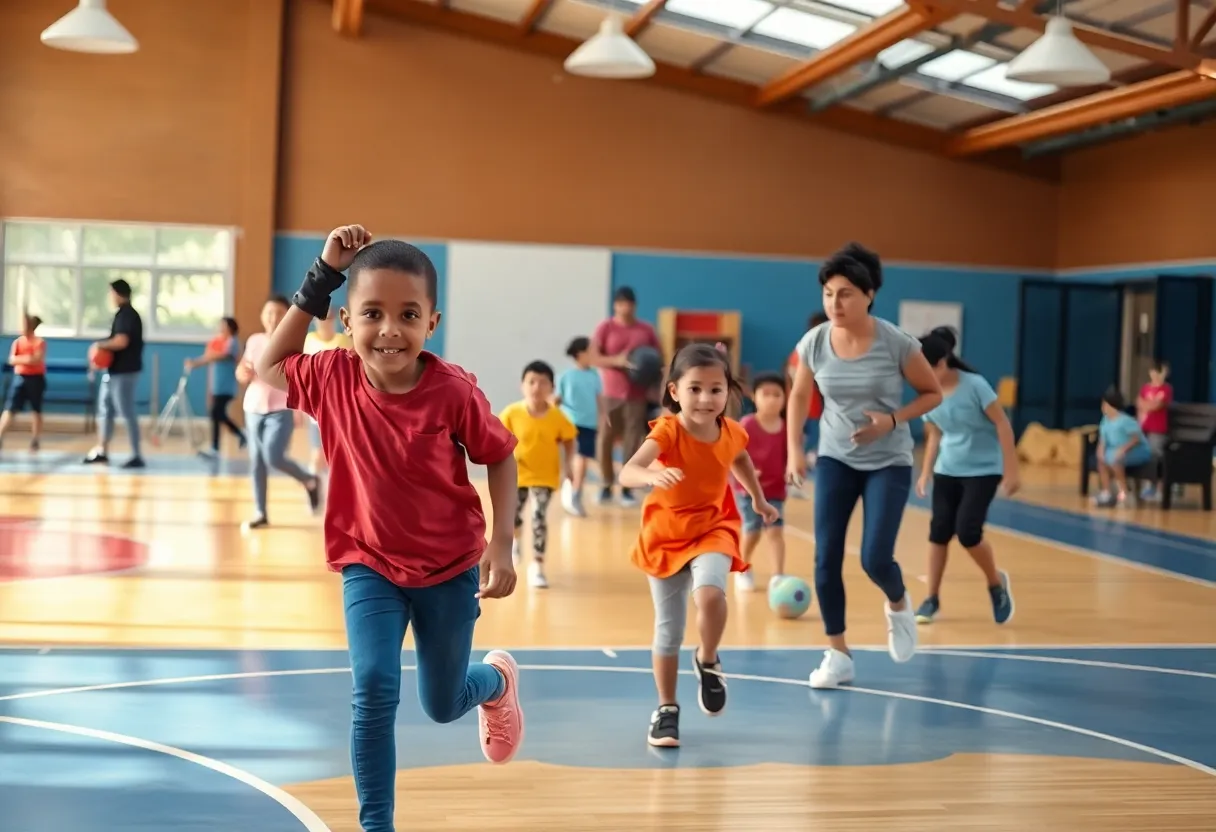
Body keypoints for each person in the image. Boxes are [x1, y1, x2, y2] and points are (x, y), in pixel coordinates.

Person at [253, 225, 524, 832]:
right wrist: (323, 273)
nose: (389, 330)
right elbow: (268, 366)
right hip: (367, 562)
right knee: (373, 689)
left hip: (450, 567)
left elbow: (500, 455)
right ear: (347, 320)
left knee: (441, 703)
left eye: (408, 314)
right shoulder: (332, 378)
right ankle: (377, 824)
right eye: (372, 313)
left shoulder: (452, 392)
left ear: (433, 321)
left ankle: (497, 681)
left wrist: (501, 544)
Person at [786, 242, 942, 690]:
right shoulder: (814, 342)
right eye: (829, 293)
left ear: (869, 295)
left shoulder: (896, 342)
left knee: (875, 557)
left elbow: (932, 394)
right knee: (825, 557)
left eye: (846, 293)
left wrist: (893, 420)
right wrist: (796, 449)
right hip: (836, 456)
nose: (835, 303)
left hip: (888, 461)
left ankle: (898, 603)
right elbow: (799, 395)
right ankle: (838, 654)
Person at [619, 343, 777, 748]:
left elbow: (738, 459)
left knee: (710, 595)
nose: (705, 398)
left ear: (728, 392)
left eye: (715, 389)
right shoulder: (669, 430)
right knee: (668, 632)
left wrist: (757, 498)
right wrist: (650, 476)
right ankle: (667, 708)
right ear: (674, 391)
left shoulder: (731, 431)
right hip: (666, 536)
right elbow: (628, 471)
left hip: (713, 526)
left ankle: (708, 658)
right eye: (695, 389)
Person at [913, 328, 1017, 626]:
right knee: (939, 533)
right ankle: (931, 597)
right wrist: (925, 473)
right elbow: (934, 435)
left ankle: (996, 584)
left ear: (942, 362)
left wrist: (1012, 469)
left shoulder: (975, 386)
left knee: (968, 532)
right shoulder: (928, 392)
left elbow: (1002, 424)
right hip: (947, 469)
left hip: (983, 470)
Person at [236, 295, 320, 530]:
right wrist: (242, 374)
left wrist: (301, 409)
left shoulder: (292, 343)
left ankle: (308, 479)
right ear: (263, 316)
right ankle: (260, 512)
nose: (273, 318)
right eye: (269, 313)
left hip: (282, 408)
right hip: (253, 407)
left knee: (273, 456)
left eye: (279, 313)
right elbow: (243, 369)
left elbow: (299, 378)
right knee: (257, 462)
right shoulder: (254, 340)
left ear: (287, 316)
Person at [499, 360, 577, 590]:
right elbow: (499, 439)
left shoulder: (557, 417)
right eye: (531, 382)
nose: (537, 387)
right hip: (517, 475)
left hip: (544, 477)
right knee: (513, 516)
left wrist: (570, 465)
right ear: (522, 385)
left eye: (543, 382)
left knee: (539, 517)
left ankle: (538, 566)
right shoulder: (512, 413)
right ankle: (516, 541)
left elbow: (569, 440)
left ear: (551, 387)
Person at [592, 286, 661, 507]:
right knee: (605, 438)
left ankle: (627, 487)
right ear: (615, 305)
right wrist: (617, 361)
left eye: (629, 303)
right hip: (611, 393)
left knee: (633, 440)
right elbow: (593, 357)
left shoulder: (646, 329)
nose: (626, 307)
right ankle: (605, 484)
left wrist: (654, 385)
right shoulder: (606, 328)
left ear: (634, 306)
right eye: (621, 303)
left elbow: (660, 358)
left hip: (637, 394)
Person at [731, 372, 788, 593]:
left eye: (777, 394)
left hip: (775, 489)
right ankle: (743, 568)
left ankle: (778, 575)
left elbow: (788, 456)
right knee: (752, 531)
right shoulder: (747, 424)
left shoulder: (785, 427)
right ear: (754, 397)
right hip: (748, 491)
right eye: (766, 394)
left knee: (776, 531)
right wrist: (748, 473)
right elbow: (733, 456)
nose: (772, 399)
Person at [83, 279, 146, 468]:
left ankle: (136, 454)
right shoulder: (120, 315)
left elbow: (121, 341)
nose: (109, 297)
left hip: (125, 373)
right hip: (113, 371)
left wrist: (99, 345)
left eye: (111, 293)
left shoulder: (128, 315)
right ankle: (102, 450)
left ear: (118, 293)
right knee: (105, 409)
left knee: (126, 411)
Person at [555, 336, 603, 517]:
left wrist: (603, 417)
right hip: (570, 423)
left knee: (583, 459)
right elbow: (557, 400)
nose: (593, 353)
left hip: (589, 423)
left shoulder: (594, 375)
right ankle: (572, 491)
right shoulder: (566, 376)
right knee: (578, 459)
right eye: (590, 350)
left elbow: (599, 399)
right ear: (580, 353)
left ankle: (575, 492)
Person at [302, 308, 352, 480]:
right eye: (321, 318)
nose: (325, 322)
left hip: (339, 408)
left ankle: (333, 494)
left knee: (336, 455)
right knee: (318, 453)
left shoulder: (344, 341)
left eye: (329, 318)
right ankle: (314, 488)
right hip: (316, 408)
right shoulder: (309, 340)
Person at [185, 317, 245, 459]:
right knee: (217, 414)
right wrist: (196, 363)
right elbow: (209, 357)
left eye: (223, 325)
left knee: (216, 413)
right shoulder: (220, 342)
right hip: (217, 386)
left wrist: (203, 359)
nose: (220, 328)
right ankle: (223, 443)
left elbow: (222, 356)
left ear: (230, 327)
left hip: (226, 385)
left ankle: (234, 437)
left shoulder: (233, 342)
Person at [1093, 386, 1153, 507]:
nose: (1103, 407)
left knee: (1116, 460)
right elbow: (1103, 439)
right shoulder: (1105, 420)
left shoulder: (1126, 421)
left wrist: (1123, 449)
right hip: (1115, 450)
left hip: (1137, 450)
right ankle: (1106, 493)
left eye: (1105, 405)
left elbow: (1136, 439)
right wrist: (1100, 451)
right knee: (1102, 461)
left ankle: (1125, 493)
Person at [0, 314, 46, 452]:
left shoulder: (39, 342)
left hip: (36, 379)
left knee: (36, 410)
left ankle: (35, 440)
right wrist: (27, 359)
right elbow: (12, 359)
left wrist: (23, 359)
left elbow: (37, 359)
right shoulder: (18, 342)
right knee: (10, 409)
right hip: (20, 378)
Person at [1135, 360, 1172, 500]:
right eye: (1154, 371)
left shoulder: (1166, 389)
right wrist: (1147, 405)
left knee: (1157, 456)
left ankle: (1159, 488)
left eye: (1160, 371)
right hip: (1144, 428)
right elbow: (1139, 403)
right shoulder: (1145, 388)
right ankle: (1147, 485)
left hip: (1158, 429)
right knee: (1144, 456)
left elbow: (1158, 405)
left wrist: (1147, 405)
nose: (1156, 375)